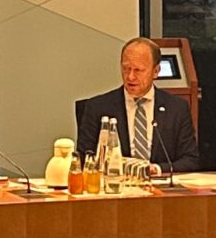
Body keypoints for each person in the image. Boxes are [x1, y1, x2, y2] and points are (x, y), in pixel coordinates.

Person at [74, 37, 203, 175]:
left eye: (138, 70)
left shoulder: (176, 108)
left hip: (159, 184)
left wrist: (157, 169)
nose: (130, 77)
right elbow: (85, 158)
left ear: (156, 71)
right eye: (126, 69)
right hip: (116, 183)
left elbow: (190, 160)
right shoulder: (98, 107)